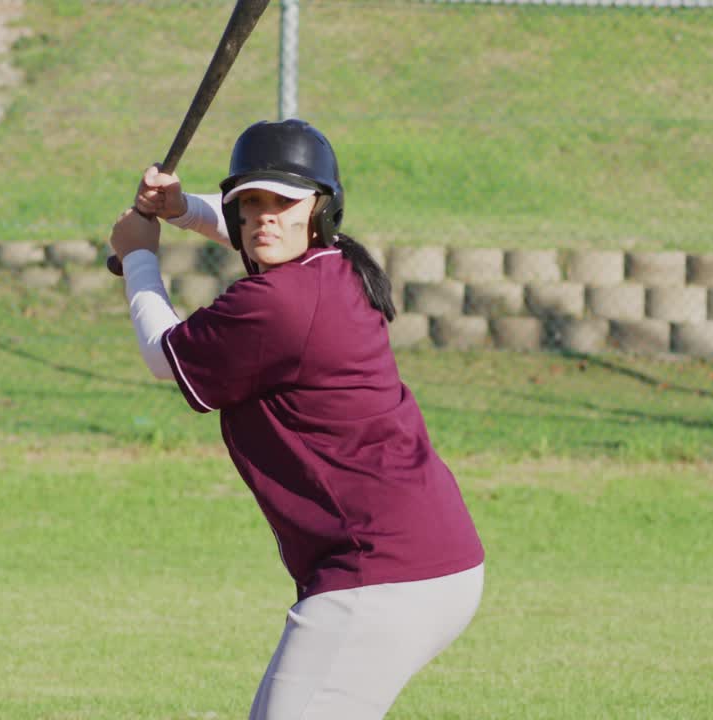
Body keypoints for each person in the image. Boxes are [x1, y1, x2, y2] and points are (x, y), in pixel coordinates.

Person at [109, 118, 487, 719]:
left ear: (318, 211)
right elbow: (262, 229)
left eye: (284, 201)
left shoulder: (277, 303)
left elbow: (164, 354)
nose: (266, 217)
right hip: (425, 560)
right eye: (250, 203)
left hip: (380, 574)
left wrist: (138, 258)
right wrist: (181, 209)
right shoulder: (336, 265)